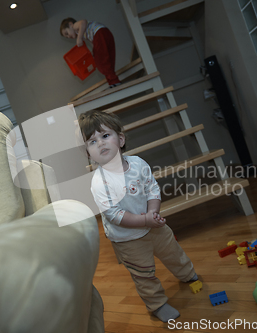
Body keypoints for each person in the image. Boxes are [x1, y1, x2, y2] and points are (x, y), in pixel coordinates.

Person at [77, 110, 198, 323]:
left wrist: (153, 212)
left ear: (120, 139)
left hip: (155, 225)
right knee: (144, 274)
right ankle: (157, 304)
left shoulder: (138, 164)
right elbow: (114, 214)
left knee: (173, 252)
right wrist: (145, 220)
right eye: (92, 141)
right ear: (88, 153)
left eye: (105, 136)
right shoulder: (99, 182)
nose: (101, 143)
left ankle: (187, 274)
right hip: (127, 239)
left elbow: (152, 188)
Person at [60, 18, 121, 88]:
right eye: (66, 37)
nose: (68, 36)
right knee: (108, 59)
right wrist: (94, 50)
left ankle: (113, 81)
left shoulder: (75, 26)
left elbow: (83, 22)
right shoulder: (82, 33)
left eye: (67, 33)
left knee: (101, 62)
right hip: (105, 33)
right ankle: (113, 81)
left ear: (70, 24)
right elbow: (92, 40)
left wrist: (79, 38)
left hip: (99, 33)